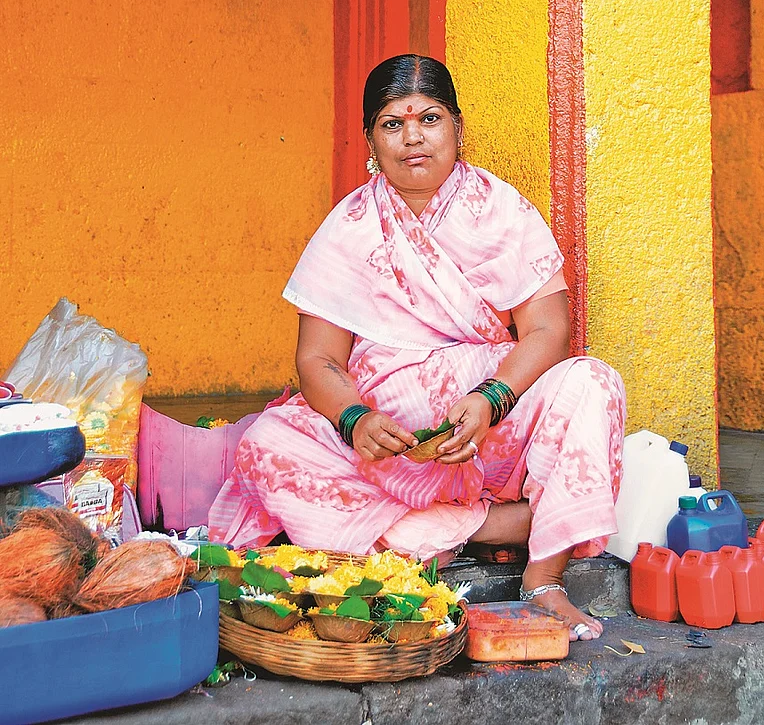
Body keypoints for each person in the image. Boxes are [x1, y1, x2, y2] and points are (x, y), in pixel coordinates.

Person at [209, 55, 625, 641]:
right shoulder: (349, 225)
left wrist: (492, 398)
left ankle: (544, 575)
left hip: (485, 431)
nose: (412, 138)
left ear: (458, 127)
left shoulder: (503, 212)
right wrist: (355, 419)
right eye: (392, 124)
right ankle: (494, 528)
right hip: (385, 447)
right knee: (265, 446)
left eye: (428, 119)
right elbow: (317, 360)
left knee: (593, 382)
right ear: (369, 139)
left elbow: (548, 330)